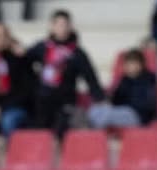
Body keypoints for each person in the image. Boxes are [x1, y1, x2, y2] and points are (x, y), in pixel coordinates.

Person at [24, 8, 104, 136]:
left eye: (65, 24)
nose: (62, 28)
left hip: (65, 101)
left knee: (62, 128)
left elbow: (90, 77)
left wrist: (100, 98)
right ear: (52, 26)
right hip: (42, 101)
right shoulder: (42, 47)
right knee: (36, 128)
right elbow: (24, 61)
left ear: (70, 27)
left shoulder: (77, 53)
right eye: (58, 24)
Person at [88, 48, 157, 130]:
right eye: (126, 64)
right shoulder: (124, 79)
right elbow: (115, 100)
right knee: (94, 110)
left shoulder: (148, 80)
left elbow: (147, 106)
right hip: (122, 110)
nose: (128, 67)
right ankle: (92, 134)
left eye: (131, 64)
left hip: (138, 115)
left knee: (107, 115)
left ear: (140, 65)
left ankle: (95, 137)